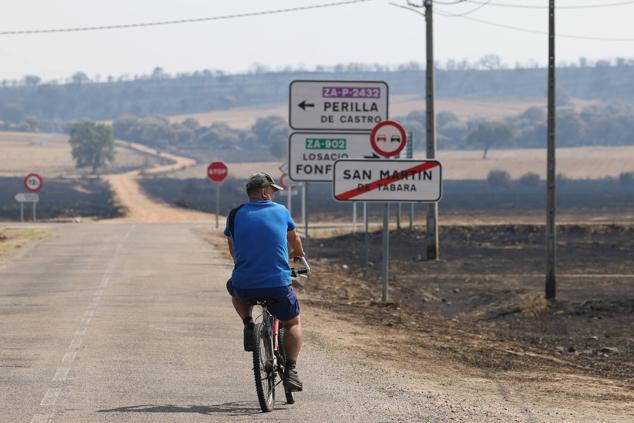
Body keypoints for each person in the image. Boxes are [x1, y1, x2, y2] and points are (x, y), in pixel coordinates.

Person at [224, 172, 306, 392]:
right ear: (263, 192)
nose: (273, 195)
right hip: (277, 285)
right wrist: (298, 255)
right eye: (271, 191)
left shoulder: (234, 214)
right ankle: (291, 370)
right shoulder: (280, 211)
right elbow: (294, 238)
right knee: (293, 323)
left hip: (245, 282)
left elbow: (232, 245)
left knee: (234, 288)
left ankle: (248, 324)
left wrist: (241, 264)